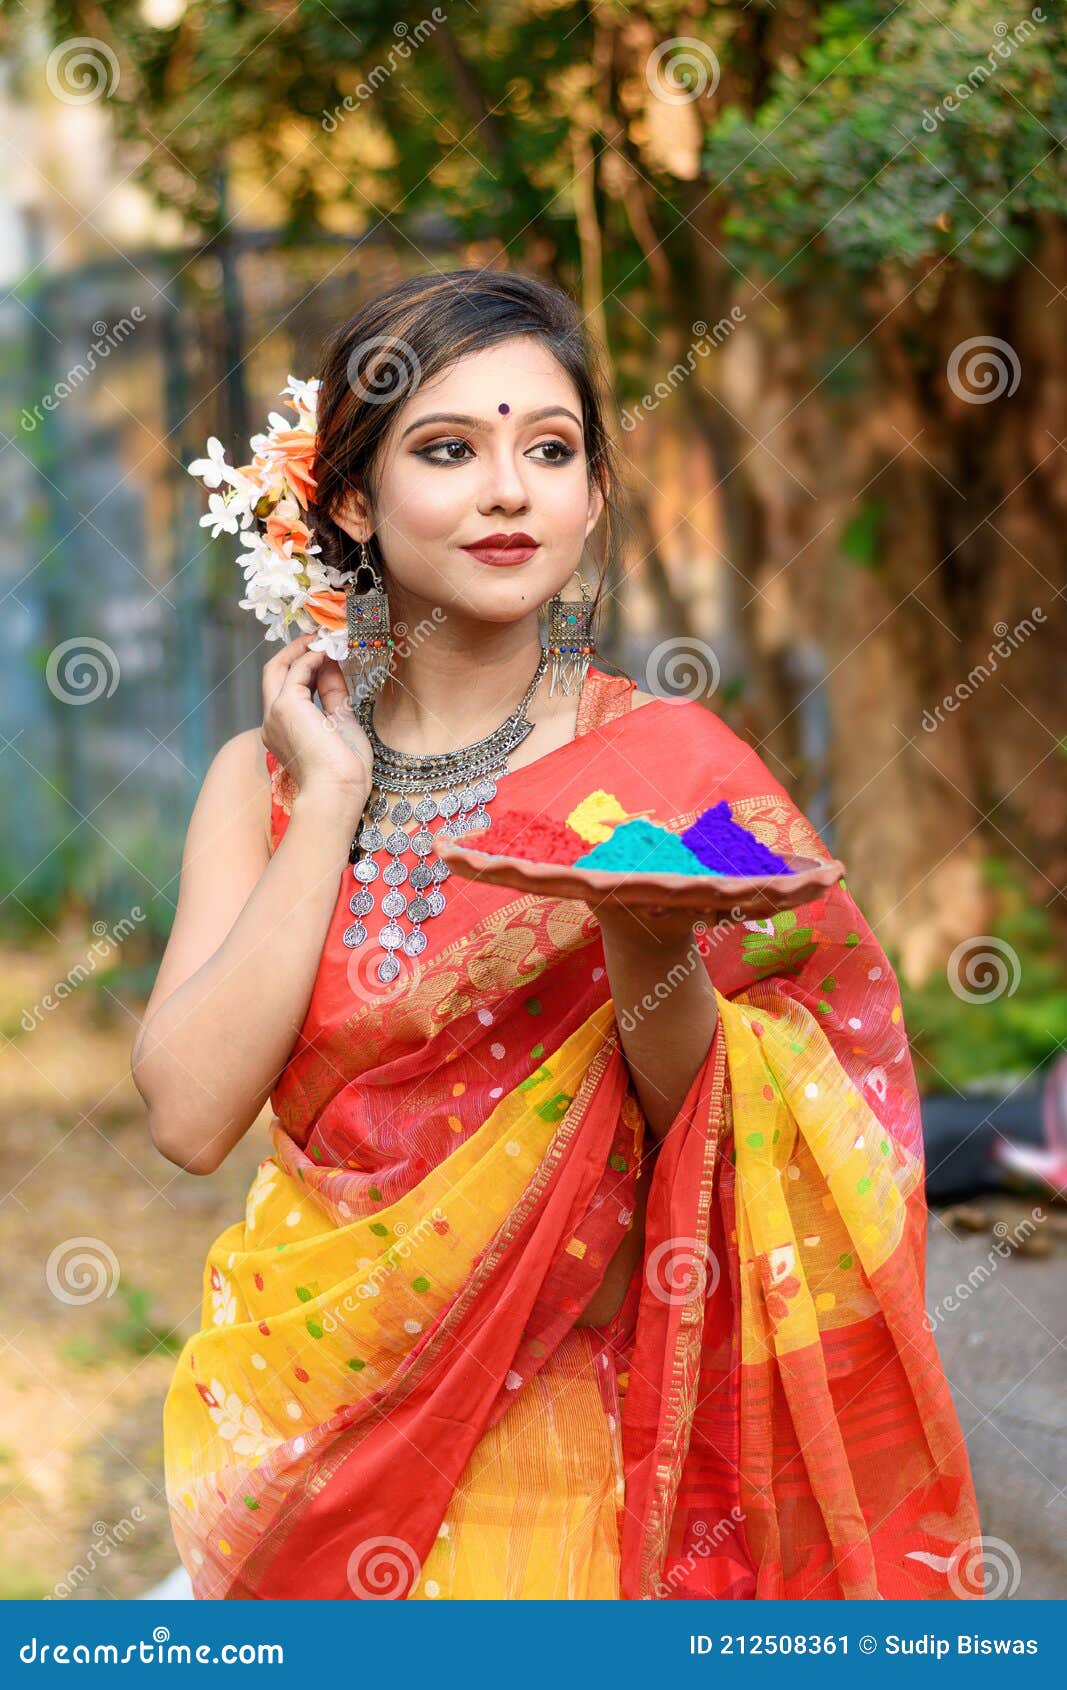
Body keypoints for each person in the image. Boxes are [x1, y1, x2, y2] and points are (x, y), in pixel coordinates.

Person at [134, 269, 980, 1601]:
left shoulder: (658, 769)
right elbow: (189, 1111)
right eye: (448, 449)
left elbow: (740, 1119)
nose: (510, 490)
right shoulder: (269, 777)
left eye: (550, 449)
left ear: (591, 492)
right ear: (352, 498)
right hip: (315, 1416)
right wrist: (335, 794)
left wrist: (646, 941)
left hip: (574, 1443)